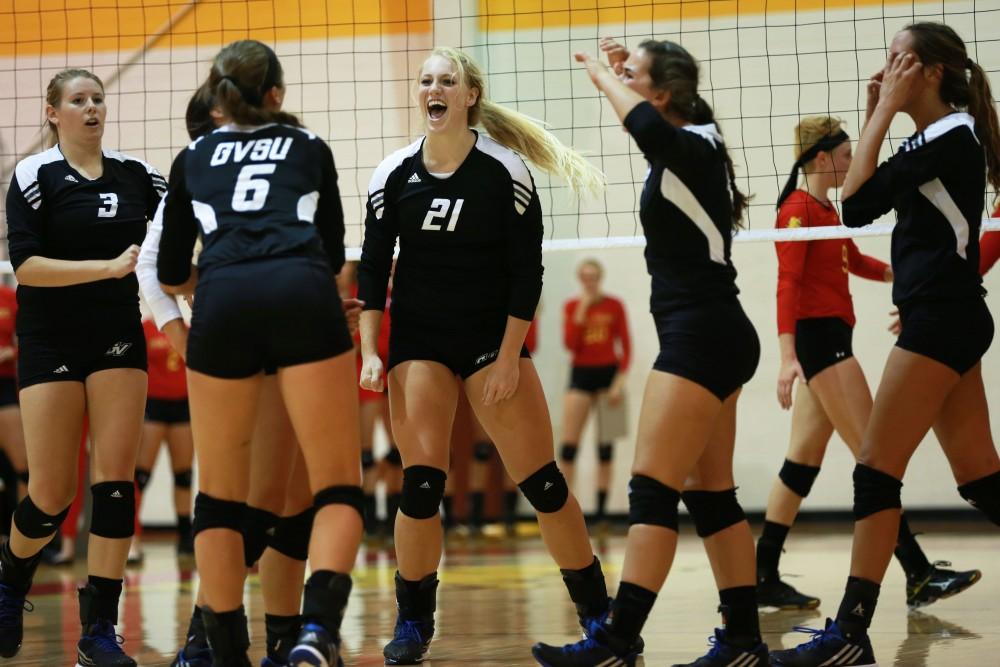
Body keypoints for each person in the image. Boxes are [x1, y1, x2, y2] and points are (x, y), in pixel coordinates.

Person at [357, 46, 615, 666]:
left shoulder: (505, 171)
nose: (433, 89)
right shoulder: (391, 174)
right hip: (417, 340)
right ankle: (414, 622)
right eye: (426, 81)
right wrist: (370, 348)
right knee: (420, 486)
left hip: (488, 341)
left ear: (470, 95)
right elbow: (371, 270)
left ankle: (601, 617)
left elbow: (526, 275)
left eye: (446, 80)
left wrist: (507, 357)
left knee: (545, 484)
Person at [771, 22, 1000, 667]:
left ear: (931, 73)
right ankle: (853, 632)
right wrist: (879, 111)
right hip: (945, 316)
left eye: (901, 59)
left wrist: (881, 112)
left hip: (941, 320)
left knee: (874, 473)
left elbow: (852, 202)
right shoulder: (932, 137)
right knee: (981, 476)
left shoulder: (951, 137)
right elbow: (865, 205)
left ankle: (850, 633)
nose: (888, 66)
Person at [533, 37, 765, 667]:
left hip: (700, 337)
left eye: (636, 74)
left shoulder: (688, 147)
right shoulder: (698, 140)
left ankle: (616, 640)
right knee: (711, 494)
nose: (623, 79)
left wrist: (596, 73)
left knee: (651, 490)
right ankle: (743, 641)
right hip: (717, 333)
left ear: (662, 93)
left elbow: (642, 126)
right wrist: (623, 75)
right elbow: (644, 118)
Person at [157, 40, 362, 667]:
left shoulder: (192, 156)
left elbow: (168, 269)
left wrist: (222, 279)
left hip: (223, 303)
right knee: (336, 489)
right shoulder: (309, 147)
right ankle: (315, 632)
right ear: (276, 94)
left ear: (219, 96)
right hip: (301, 293)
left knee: (218, 497)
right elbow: (332, 255)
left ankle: (222, 650)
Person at [758, 115, 979, 611]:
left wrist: (900, 272)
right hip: (821, 345)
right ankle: (918, 572)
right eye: (844, 156)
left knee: (801, 462)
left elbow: (851, 259)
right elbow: (787, 283)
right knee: (875, 459)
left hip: (833, 338)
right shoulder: (797, 208)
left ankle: (762, 572)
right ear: (821, 158)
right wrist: (787, 356)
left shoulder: (824, 209)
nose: (852, 163)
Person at [0, 68, 165, 665]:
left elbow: (184, 233)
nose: (92, 108)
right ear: (53, 112)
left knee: (115, 486)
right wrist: (107, 267)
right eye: (78, 100)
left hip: (117, 337)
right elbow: (28, 266)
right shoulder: (34, 175)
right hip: (50, 337)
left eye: (98, 99)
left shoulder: (139, 176)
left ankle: (99, 631)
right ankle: (9, 582)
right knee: (50, 495)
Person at [560, 259, 630, 526]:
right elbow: (570, 345)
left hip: (608, 376)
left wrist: (618, 385)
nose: (590, 281)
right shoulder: (571, 306)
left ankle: (601, 515)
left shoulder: (615, 305)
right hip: (580, 374)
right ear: (580, 279)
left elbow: (626, 347)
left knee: (605, 448)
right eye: (585, 277)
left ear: (600, 277)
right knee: (568, 447)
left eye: (594, 276)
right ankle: (566, 510)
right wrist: (581, 311)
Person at [132, 316, 194, 559]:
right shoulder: (146, 327)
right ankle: (132, 538)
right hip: (153, 406)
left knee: (184, 475)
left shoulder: (187, 328)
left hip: (183, 405)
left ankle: (185, 537)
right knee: (141, 475)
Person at [0, 286, 25, 505]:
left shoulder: (9, 297)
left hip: (4, 384)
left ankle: (29, 533)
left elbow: (29, 338)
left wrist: (10, 353)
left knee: (25, 466)